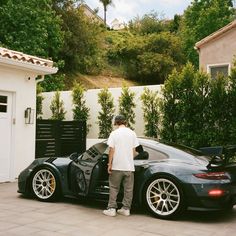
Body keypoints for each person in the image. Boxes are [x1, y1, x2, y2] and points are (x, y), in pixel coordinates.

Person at [103, 115, 139, 217]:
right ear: (125, 122)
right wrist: (128, 159)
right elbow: (134, 151)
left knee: (114, 187)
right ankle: (126, 209)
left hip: (117, 166)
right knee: (128, 189)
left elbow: (111, 150)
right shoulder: (132, 133)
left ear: (116, 123)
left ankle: (112, 209)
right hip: (129, 167)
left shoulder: (114, 134)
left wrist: (110, 164)